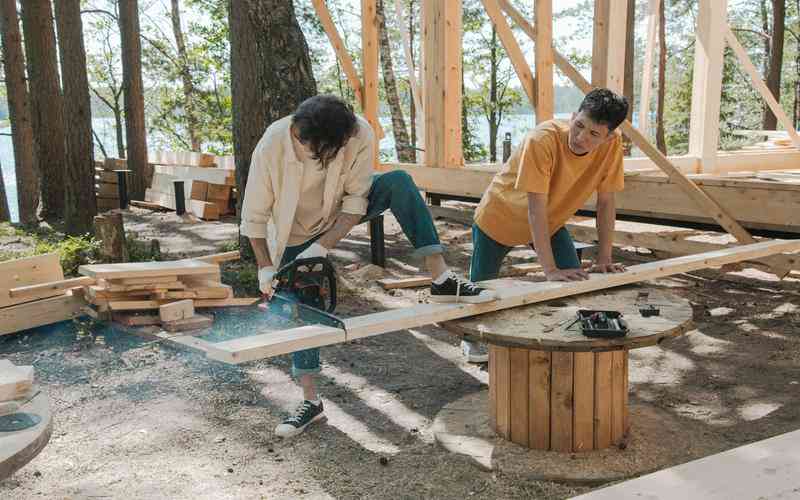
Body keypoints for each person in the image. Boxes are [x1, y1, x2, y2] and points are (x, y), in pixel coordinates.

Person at [240, 94, 497, 438]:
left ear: (335, 143)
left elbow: (355, 202)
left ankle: (442, 279)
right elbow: (254, 219)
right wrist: (265, 268)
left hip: (337, 216)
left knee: (400, 183)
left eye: (308, 143)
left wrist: (322, 247)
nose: (299, 142)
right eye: (298, 137)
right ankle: (310, 402)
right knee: (301, 309)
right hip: (292, 234)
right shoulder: (273, 143)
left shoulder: (358, 134)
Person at [462, 88, 629, 363]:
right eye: (579, 126)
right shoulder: (542, 140)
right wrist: (548, 269)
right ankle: (470, 339)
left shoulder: (612, 146)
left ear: (609, 136)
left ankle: (561, 339)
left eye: (594, 134)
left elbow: (606, 202)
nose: (581, 138)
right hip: (499, 216)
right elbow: (535, 207)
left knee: (576, 280)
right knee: (480, 293)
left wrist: (604, 257)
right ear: (573, 116)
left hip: (548, 222)